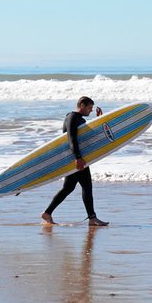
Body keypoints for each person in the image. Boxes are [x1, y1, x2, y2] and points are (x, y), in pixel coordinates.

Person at [41, 96, 109, 226]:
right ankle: (92, 218)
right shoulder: (72, 117)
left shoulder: (79, 119)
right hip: (75, 158)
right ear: (82, 105)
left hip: (76, 158)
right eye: (89, 108)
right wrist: (78, 158)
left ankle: (47, 213)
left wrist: (99, 120)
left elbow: (88, 136)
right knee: (86, 187)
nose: (90, 111)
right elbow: (71, 139)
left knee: (68, 188)